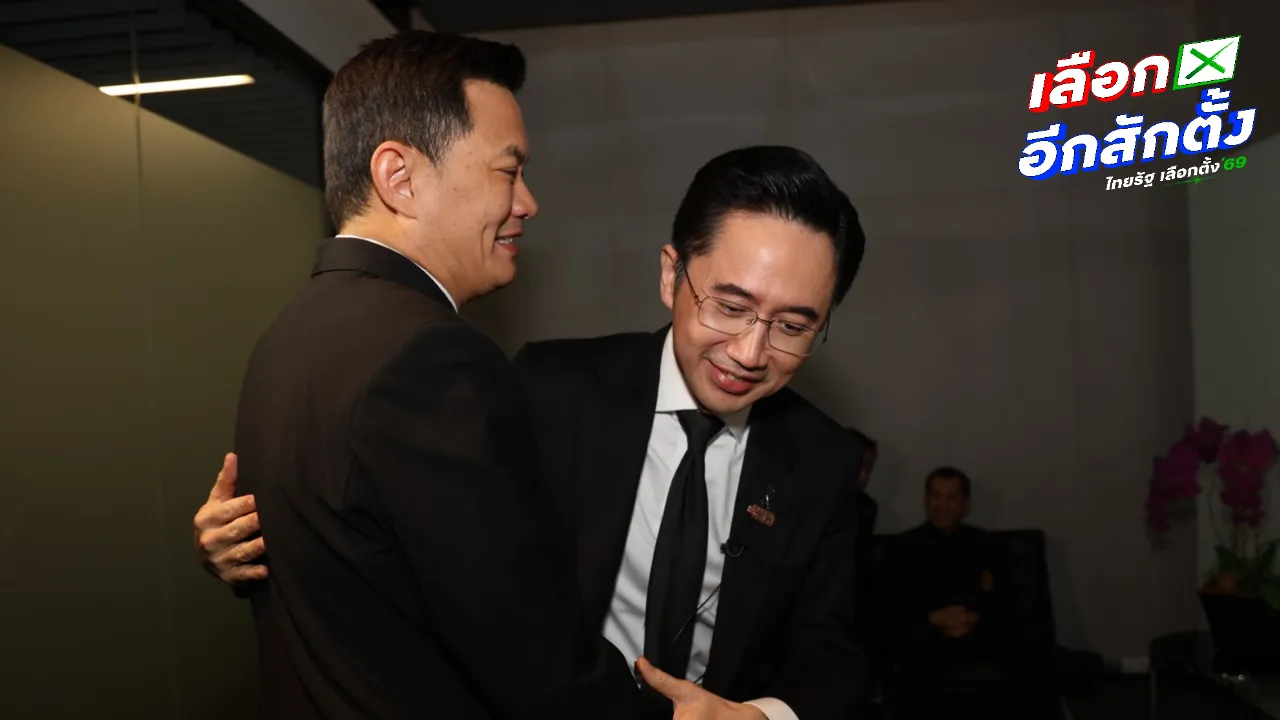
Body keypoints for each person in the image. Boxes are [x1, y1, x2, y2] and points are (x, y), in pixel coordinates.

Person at [199, 145, 869, 717]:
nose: (750, 353)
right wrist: (254, 542)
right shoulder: (547, 389)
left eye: (793, 326)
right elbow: (413, 555)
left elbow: (836, 655)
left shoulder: (823, 460)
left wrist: (759, 717)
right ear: (672, 274)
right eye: (728, 306)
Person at [214, 29, 749, 720]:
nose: (528, 202)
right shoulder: (430, 358)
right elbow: (529, 654)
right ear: (400, 178)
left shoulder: (290, 333)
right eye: (508, 170)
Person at [880, 467, 1011, 718]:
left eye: (951, 498)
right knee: (915, 647)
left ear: (965, 505)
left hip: (976, 631)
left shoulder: (986, 544)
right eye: (936, 496)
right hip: (924, 633)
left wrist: (972, 617)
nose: (942, 505)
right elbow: (890, 604)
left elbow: (1002, 597)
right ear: (926, 500)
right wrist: (932, 619)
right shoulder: (902, 547)